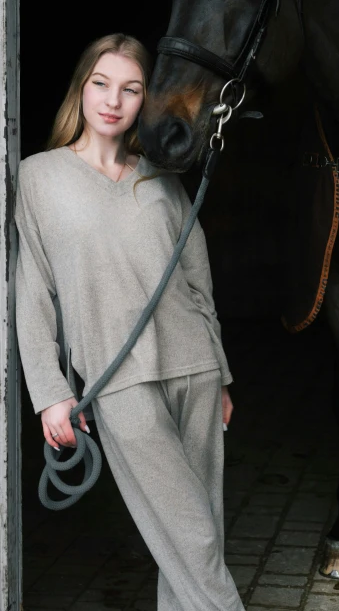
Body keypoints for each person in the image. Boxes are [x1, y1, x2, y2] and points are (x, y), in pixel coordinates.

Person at [15, 33, 245, 611]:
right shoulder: (37, 178)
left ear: (147, 99)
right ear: (81, 90)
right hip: (118, 383)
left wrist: (220, 372)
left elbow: (199, 281)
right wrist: (49, 393)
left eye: (130, 88)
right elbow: (32, 293)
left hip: (193, 366)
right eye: (101, 84)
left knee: (194, 537)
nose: (113, 100)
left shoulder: (163, 177)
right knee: (191, 536)